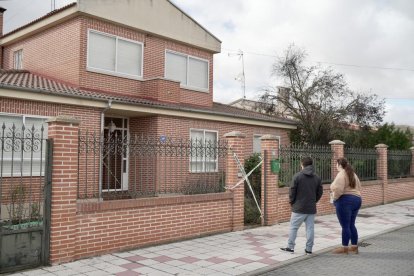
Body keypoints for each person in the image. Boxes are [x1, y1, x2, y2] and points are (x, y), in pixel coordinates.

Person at [280, 157, 323, 254]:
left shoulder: (297, 176)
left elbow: (292, 191)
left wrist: (292, 202)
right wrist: (314, 201)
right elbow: (320, 192)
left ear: (302, 165)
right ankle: (309, 249)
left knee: (293, 227)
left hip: (298, 207)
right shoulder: (317, 177)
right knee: (310, 229)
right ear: (311, 165)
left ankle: (290, 247)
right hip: (311, 208)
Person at [330, 157, 362, 254]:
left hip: (345, 201)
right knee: (351, 224)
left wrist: (334, 199)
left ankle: (344, 248)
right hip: (357, 199)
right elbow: (359, 186)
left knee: (345, 226)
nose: (335, 166)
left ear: (339, 165)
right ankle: (354, 247)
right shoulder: (353, 174)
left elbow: (338, 189)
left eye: (336, 164)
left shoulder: (341, 174)